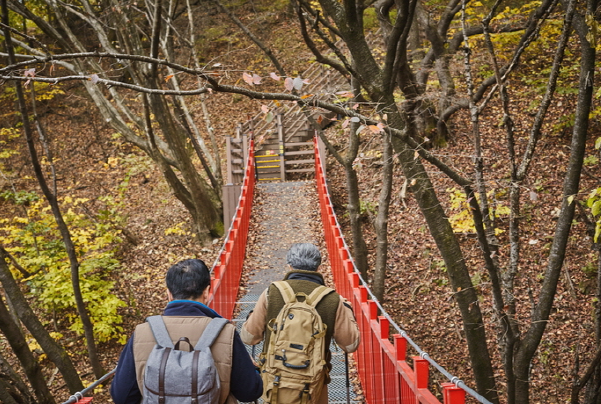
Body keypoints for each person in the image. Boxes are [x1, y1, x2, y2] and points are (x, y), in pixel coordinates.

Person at [110, 259, 262, 404]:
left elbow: (122, 397)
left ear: (169, 294)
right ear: (207, 292)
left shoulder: (142, 333)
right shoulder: (225, 333)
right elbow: (249, 391)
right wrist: (252, 368)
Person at [240, 243, 360, 404]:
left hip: (275, 384)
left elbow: (248, 337)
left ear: (289, 265)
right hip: (314, 388)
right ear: (318, 266)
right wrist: (348, 311)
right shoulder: (333, 300)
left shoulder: (272, 292)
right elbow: (350, 344)